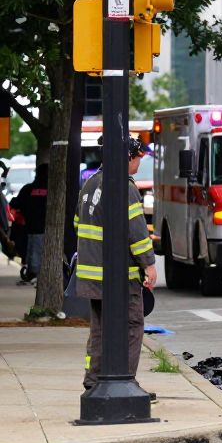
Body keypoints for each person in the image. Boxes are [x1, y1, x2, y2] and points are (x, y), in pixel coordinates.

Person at [76, 137, 158, 391]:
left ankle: (94, 381)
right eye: (137, 159)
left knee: (99, 330)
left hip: (92, 274)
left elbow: (78, 224)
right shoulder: (124, 186)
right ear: (127, 157)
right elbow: (136, 232)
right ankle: (125, 383)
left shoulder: (90, 184)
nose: (137, 165)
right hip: (119, 277)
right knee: (132, 325)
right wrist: (149, 265)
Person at [11, 163, 48, 282]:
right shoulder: (53, 190)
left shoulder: (28, 189)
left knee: (32, 251)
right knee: (38, 252)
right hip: (46, 228)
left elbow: (16, 203)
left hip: (30, 227)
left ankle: (33, 273)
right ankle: (36, 275)